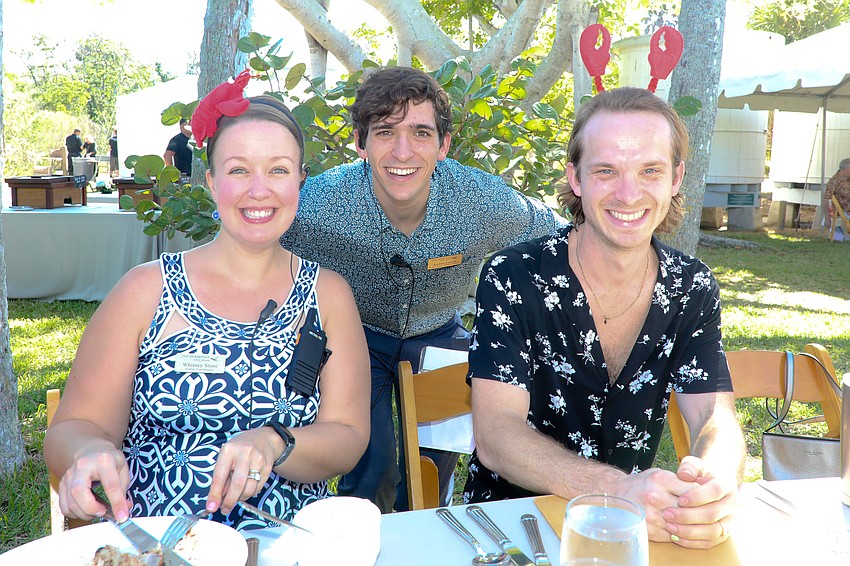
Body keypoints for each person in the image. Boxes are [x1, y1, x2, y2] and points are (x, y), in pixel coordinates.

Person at [44, 80, 371, 530]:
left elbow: (349, 436)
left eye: (277, 170)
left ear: (300, 180)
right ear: (212, 182)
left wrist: (276, 442)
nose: (259, 190)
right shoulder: (144, 291)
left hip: (288, 549)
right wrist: (87, 451)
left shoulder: (329, 295)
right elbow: (74, 425)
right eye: (238, 170)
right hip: (157, 547)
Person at [463, 87, 746, 550]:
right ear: (575, 178)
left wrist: (715, 478)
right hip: (512, 531)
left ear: (676, 178)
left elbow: (715, 417)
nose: (629, 192)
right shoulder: (515, 275)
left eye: (650, 170)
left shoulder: (691, 287)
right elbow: (495, 433)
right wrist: (619, 490)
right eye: (606, 171)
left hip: (633, 534)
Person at [281, 66, 567, 513]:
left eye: (420, 132)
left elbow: (558, 239)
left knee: (431, 469)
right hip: (359, 337)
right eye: (384, 132)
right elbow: (253, 233)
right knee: (371, 467)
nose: (402, 150)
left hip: (439, 333)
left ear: (443, 144)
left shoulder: (481, 202)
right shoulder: (318, 204)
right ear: (360, 142)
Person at [823, 157, 850, 231]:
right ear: (845, 169)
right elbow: (826, 198)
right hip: (844, 210)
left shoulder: (847, 179)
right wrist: (827, 218)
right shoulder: (835, 181)